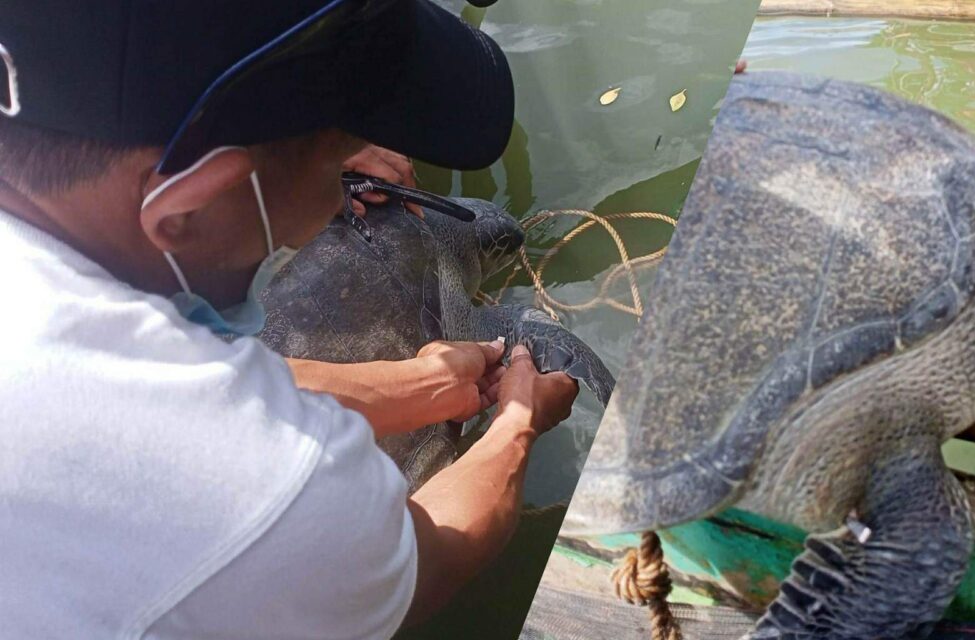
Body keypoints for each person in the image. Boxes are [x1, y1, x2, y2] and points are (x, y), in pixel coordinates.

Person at [0, 1, 579, 638]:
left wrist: (421, 386)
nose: (342, 194)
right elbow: (430, 560)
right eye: (337, 171)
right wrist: (518, 422)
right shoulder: (268, 485)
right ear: (190, 206)